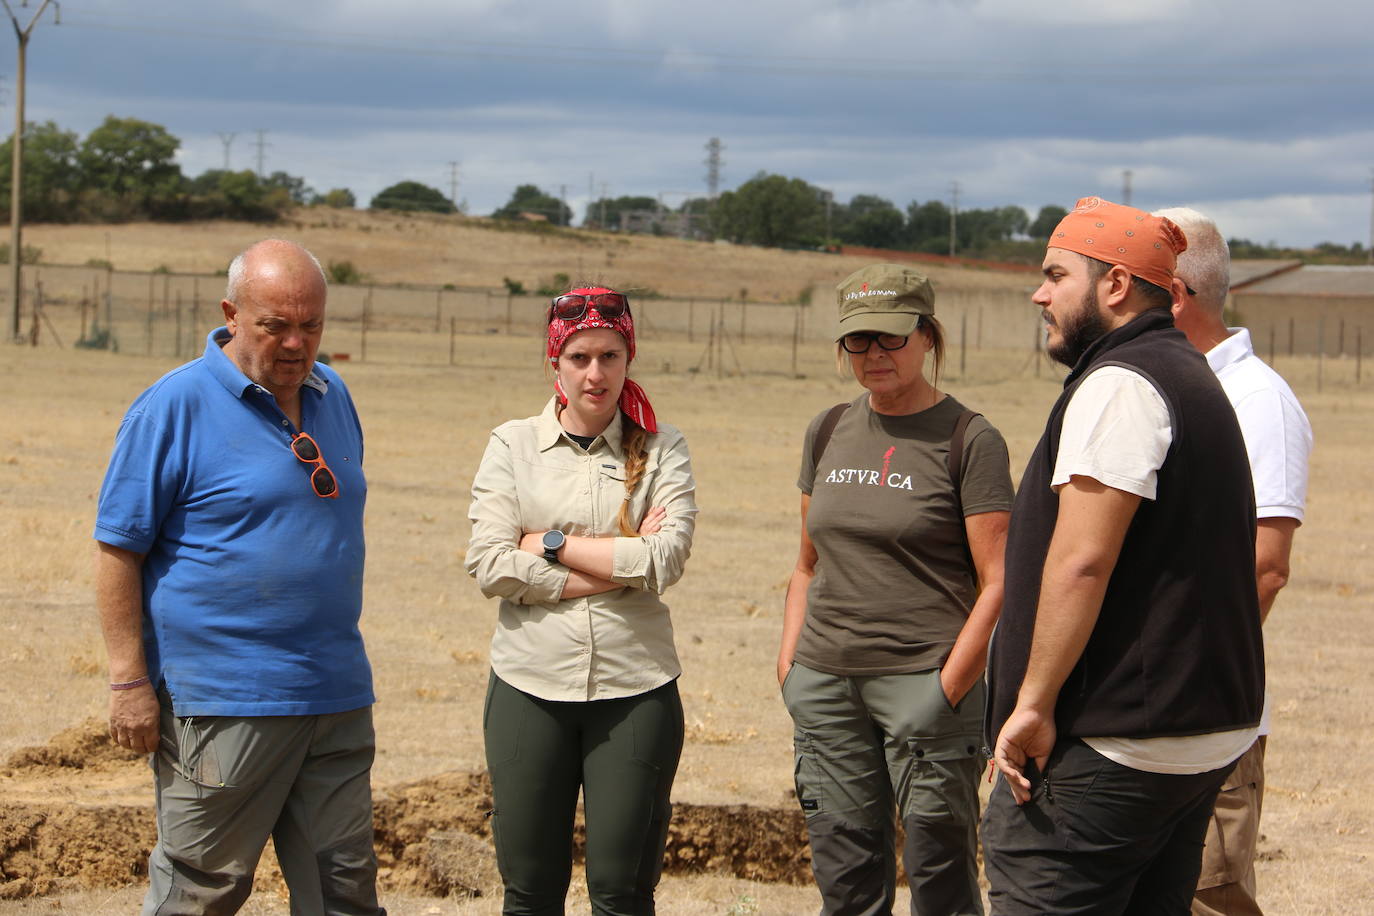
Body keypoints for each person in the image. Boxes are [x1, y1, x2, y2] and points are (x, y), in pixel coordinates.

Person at [981, 197, 1267, 914]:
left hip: (1114, 741)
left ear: (1114, 286)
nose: (1038, 293)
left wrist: (1034, 704)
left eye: (1055, 274)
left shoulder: (1121, 385)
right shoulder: (1188, 374)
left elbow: (1083, 561)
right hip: (1192, 736)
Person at [94, 239, 385, 915]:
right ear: (231, 313)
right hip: (223, 704)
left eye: (310, 325)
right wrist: (128, 679)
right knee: (202, 891)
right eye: (275, 325)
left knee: (344, 893)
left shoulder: (332, 392)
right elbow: (117, 548)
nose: (295, 342)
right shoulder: (173, 407)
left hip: (334, 694)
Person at [777, 264, 1013, 915]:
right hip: (826, 686)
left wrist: (946, 690)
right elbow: (806, 564)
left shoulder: (970, 439)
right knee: (846, 880)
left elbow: (999, 581)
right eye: (859, 341)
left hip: (926, 689)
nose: (874, 354)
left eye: (891, 338)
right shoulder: (827, 430)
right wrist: (792, 667)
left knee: (940, 880)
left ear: (928, 336)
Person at [465, 286, 697, 915]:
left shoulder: (663, 448)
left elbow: (665, 559)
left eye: (610, 356)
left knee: (622, 892)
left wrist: (551, 543)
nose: (596, 374)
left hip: (635, 687)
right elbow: (488, 564)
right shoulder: (511, 446)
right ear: (555, 363)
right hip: (528, 685)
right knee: (531, 891)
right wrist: (616, 568)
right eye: (579, 357)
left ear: (629, 358)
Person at [1154, 207, 1313, 916]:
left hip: (1202, 712)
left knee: (1208, 896)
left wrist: (1188, 680)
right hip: (1139, 709)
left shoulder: (1258, 403)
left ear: (1177, 295)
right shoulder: (1151, 383)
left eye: (1128, 280)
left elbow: (1266, 565)